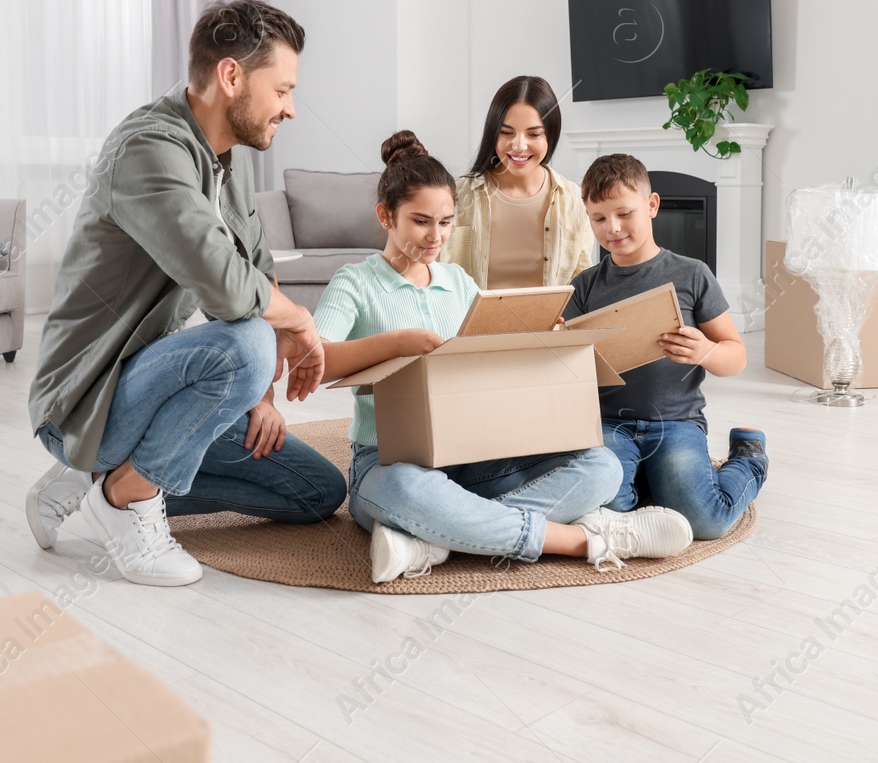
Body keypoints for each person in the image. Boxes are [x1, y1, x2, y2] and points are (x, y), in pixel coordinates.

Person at [24, 0, 347, 588]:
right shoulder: (149, 151)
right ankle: (124, 497)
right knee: (245, 344)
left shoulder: (227, 157)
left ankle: (95, 481)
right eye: (282, 90)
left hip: (157, 387)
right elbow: (227, 287)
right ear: (231, 76)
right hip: (85, 401)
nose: (291, 109)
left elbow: (257, 265)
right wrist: (298, 321)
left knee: (316, 492)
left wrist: (262, 397)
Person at [313, 130, 693, 583]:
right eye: (421, 221)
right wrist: (396, 344)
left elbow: (496, 352)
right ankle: (587, 540)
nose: (436, 236)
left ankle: (434, 538)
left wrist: (542, 339)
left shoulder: (458, 282)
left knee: (602, 465)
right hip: (387, 460)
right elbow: (315, 363)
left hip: (471, 456)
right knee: (410, 489)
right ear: (385, 216)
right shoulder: (355, 282)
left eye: (446, 222)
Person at [563, 153, 767, 541]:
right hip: (609, 425)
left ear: (652, 205)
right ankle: (650, 480)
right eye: (599, 219)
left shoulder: (692, 274)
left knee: (709, 521)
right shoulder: (585, 285)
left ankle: (749, 457)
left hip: (676, 423)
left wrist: (705, 351)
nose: (613, 228)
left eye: (624, 213)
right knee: (607, 509)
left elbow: (736, 357)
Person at [443, 76, 594, 289]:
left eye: (533, 134)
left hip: (550, 323)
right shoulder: (456, 196)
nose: (519, 145)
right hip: (470, 322)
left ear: (550, 135)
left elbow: (582, 285)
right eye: (506, 133)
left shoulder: (574, 201)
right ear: (492, 133)